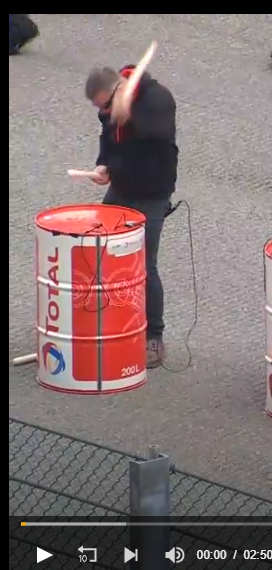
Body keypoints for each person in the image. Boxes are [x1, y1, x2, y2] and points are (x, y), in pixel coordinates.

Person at [86, 65, 178, 368]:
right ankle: (105, 318)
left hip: (152, 193)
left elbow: (159, 135)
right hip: (122, 187)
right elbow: (108, 137)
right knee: (98, 248)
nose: (105, 112)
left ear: (118, 88)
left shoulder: (158, 98)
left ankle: (154, 337)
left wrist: (128, 118)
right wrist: (103, 164)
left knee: (144, 264)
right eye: (101, 108)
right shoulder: (112, 105)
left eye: (106, 105)